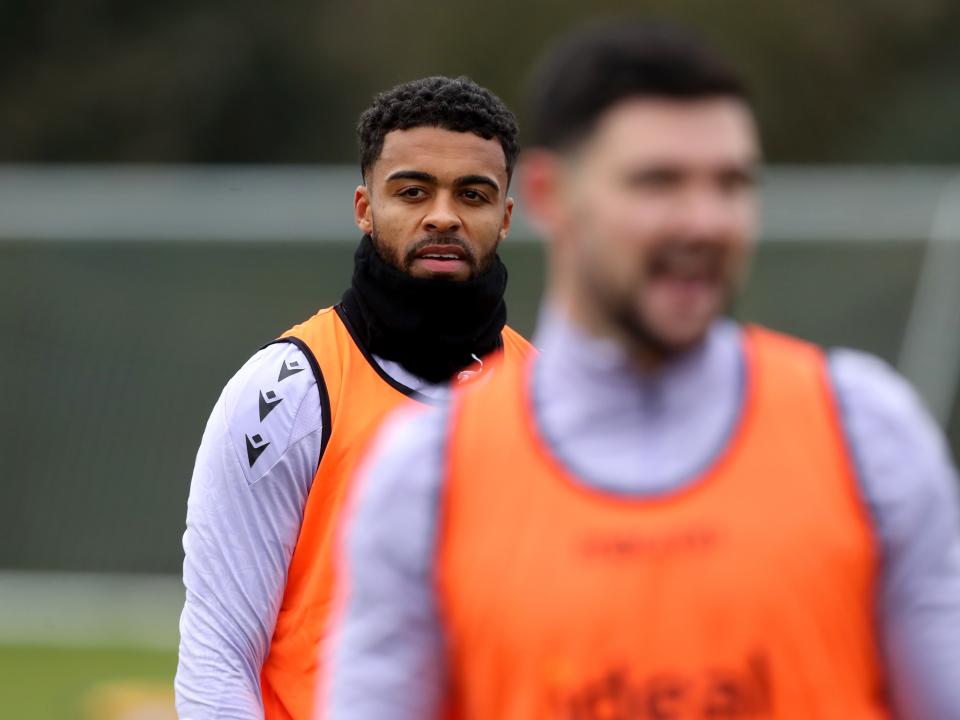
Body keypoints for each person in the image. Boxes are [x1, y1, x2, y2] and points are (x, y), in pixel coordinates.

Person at [320, 22, 960, 720]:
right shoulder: (426, 476)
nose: (703, 222)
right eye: (658, 182)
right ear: (548, 197)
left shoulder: (867, 437)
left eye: (730, 184)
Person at [175, 76, 533, 719]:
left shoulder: (548, 395)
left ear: (505, 217)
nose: (443, 214)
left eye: (473, 194)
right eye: (414, 190)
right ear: (366, 208)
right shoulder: (284, 391)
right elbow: (217, 656)